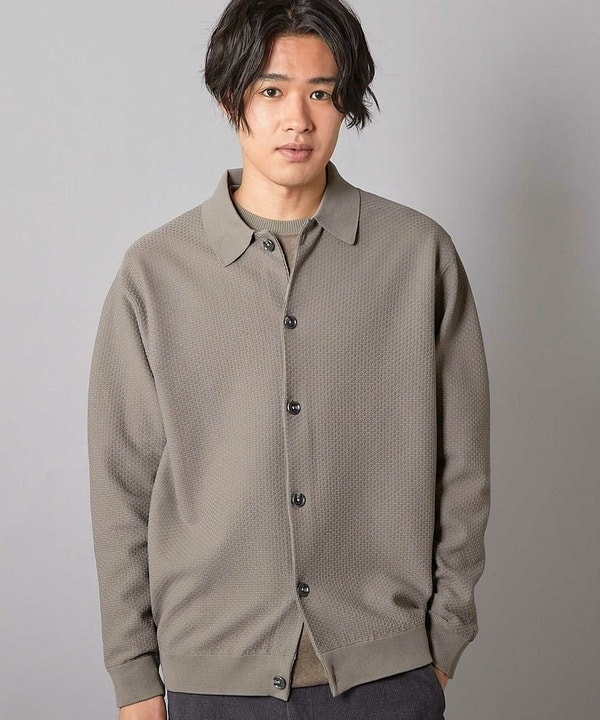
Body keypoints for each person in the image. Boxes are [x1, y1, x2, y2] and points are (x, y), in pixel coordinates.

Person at [87, 1, 491, 718]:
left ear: (347, 104)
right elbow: (122, 484)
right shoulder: (155, 272)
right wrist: (135, 675)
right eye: (271, 90)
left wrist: (445, 637)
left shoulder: (417, 255)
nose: (297, 119)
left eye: (322, 93)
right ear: (230, 98)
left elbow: (465, 464)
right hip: (213, 680)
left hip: (387, 675)